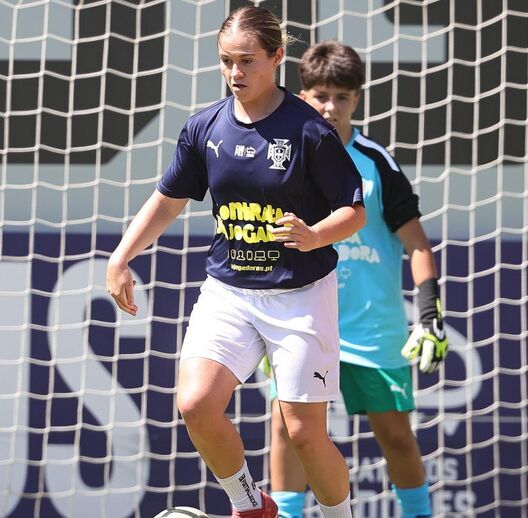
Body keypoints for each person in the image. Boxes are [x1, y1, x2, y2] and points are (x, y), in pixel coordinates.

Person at [105, 7, 364, 518]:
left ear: (277, 56)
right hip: (229, 291)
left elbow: (353, 212)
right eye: (226, 61)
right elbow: (168, 200)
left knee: (303, 434)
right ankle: (252, 506)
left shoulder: (310, 130)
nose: (235, 72)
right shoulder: (204, 127)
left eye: (247, 60)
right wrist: (121, 256)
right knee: (196, 404)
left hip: (300, 295)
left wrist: (314, 235)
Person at [265, 40, 446, 518]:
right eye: (320, 96)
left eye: (341, 97)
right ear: (302, 95)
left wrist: (429, 315)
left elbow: (418, 245)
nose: (330, 107)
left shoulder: (377, 163)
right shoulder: (281, 159)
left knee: (396, 437)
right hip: (302, 322)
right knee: (286, 429)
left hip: (372, 330)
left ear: (357, 99)